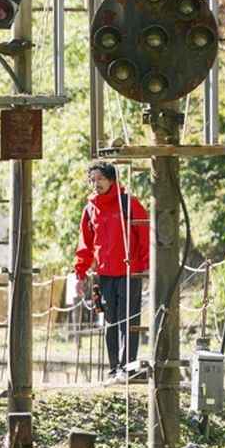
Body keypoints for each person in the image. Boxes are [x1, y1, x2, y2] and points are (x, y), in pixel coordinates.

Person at [74, 161, 149, 382]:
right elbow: (85, 245)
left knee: (129, 320)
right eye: (92, 180)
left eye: (100, 179)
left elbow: (144, 233)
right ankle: (114, 367)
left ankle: (128, 367)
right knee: (110, 322)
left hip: (129, 271)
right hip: (105, 274)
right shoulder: (89, 209)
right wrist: (80, 274)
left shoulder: (129, 203)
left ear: (111, 180)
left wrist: (147, 264)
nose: (96, 184)